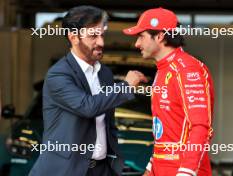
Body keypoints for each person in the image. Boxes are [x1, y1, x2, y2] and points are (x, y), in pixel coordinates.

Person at [29, 5, 147, 176]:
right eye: (93, 36)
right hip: (66, 170)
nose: (101, 42)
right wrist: (126, 86)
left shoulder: (105, 73)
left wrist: (112, 163)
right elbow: (88, 107)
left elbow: (107, 122)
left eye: (102, 35)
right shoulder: (58, 74)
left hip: (101, 169)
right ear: (73, 37)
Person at [123, 7, 214, 176]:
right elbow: (166, 133)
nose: (137, 44)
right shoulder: (163, 70)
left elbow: (201, 127)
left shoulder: (188, 69)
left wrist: (186, 172)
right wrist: (151, 168)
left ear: (160, 36)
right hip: (162, 168)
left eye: (141, 37)